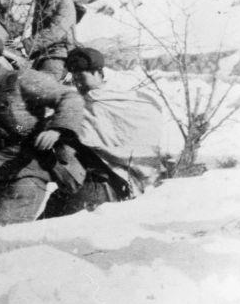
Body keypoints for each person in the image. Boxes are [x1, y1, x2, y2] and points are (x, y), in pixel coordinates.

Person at [0, 24, 84, 231]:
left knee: (0, 236)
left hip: (26, 175)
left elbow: (69, 97)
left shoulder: (21, 79)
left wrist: (57, 129)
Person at [41, 47, 164, 217]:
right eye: (74, 78)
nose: (78, 83)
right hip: (85, 183)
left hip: (107, 185)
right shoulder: (82, 103)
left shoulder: (116, 100)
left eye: (82, 77)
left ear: (98, 72)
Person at [23, 0, 77, 81]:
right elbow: (35, 28)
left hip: (59, 54)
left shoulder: (65, 3)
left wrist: (27, 44)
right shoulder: (41, 1)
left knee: (41, 84)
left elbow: (55, 32)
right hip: (41, 53)